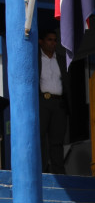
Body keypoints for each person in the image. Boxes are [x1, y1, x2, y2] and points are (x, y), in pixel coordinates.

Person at [38, 28, 69, 175]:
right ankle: (41, 171)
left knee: (57, 141)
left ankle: (59, 173)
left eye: (55, 40)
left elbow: (67, 82)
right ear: (41, 42)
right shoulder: (36, 59)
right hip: (43, 102)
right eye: (49, 40)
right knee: (40, 138)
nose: (53, 43)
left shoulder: (61, 59)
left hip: (59, 104)